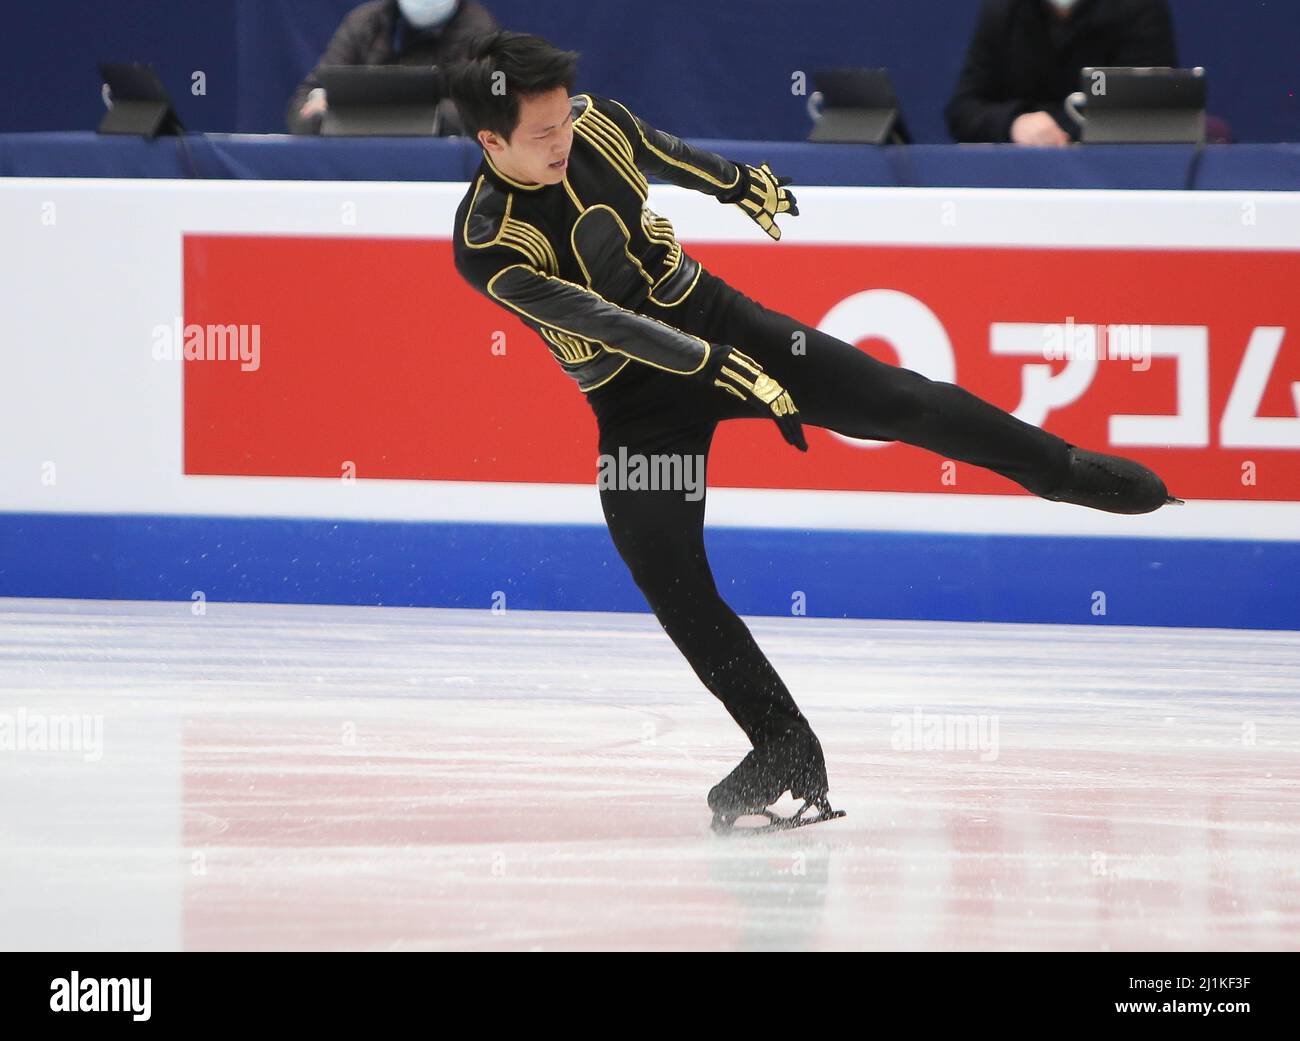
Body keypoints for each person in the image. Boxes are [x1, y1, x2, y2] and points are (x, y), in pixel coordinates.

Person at [447, 31, 1180, 831]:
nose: (565, 140)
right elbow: (602, 321)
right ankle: (783, 746)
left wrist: (739, 186)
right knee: (670, 579)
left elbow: (666, 151)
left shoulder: (596, 124)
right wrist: (707, 365)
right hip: (637, 403)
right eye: (544, 134)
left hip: (719, 319)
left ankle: (1060, 468)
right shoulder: (487, 244)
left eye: (565, 121)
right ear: (492, 141)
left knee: (894, 398)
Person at [946, 0, 1178, 145]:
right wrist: (1012, 123)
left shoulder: (1139, 10)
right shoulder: (1003, 10)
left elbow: (1150, 113)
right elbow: (963, 110)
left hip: (1113, 178)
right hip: (1023, 178)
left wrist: (1060, 127)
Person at [285, 0, 497, 135]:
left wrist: (361, 112)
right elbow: (302, 108)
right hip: (358, 164)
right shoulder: (365, 23)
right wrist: (318, 113)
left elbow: (489, 109)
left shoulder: (481, 31)